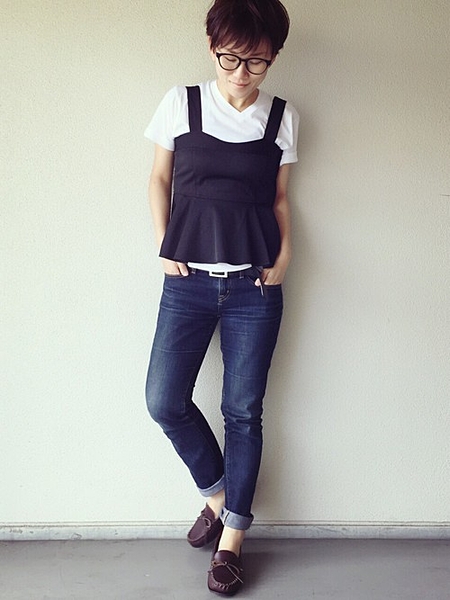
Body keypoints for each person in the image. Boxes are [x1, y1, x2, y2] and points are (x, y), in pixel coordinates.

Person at [144, 0, 298, 594]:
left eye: (256, 62)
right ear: (212, 48)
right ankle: (217, 496)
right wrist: (164, 244)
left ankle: (231, 538)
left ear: (272, 58)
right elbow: (159, 178)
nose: (241, 72)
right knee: (163, 400)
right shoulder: (180, 103)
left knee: (242, 411)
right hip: (186, 283)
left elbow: (279, 198)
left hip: (254, 286)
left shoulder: (282, 116)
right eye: (230, 58)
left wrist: (285, 256)